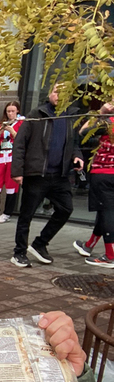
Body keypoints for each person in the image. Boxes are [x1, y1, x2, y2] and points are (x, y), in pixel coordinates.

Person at [11, 84, 84, 267]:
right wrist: (17, 171)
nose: (59, 96)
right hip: (37, 174)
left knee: (65, 209)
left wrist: (77, 156)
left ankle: (39, 244)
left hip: (59, 176)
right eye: (56, 92)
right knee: (26, 215)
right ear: (50, 93)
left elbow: (74, 143)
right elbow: (20, 143)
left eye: (64, 93)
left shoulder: (70, 117)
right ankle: (19, 252)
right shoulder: (37, 114)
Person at [74, 101, 114, 267]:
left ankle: (110, 256)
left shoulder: (109, 123)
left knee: (107, 212)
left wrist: (100, 113)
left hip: (105, 173)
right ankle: (89, 245)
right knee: (105, 211)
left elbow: (82, 133)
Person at [0, 102, 25, 224]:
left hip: (13, 156)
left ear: (17, 111)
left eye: (13, 111)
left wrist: (12, 131)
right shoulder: (0, 124)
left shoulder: (21, 123)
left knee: (11, 186)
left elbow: (22, 141)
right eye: (8, 111)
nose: (10, 114)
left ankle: (7, 213)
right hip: (1, 155)